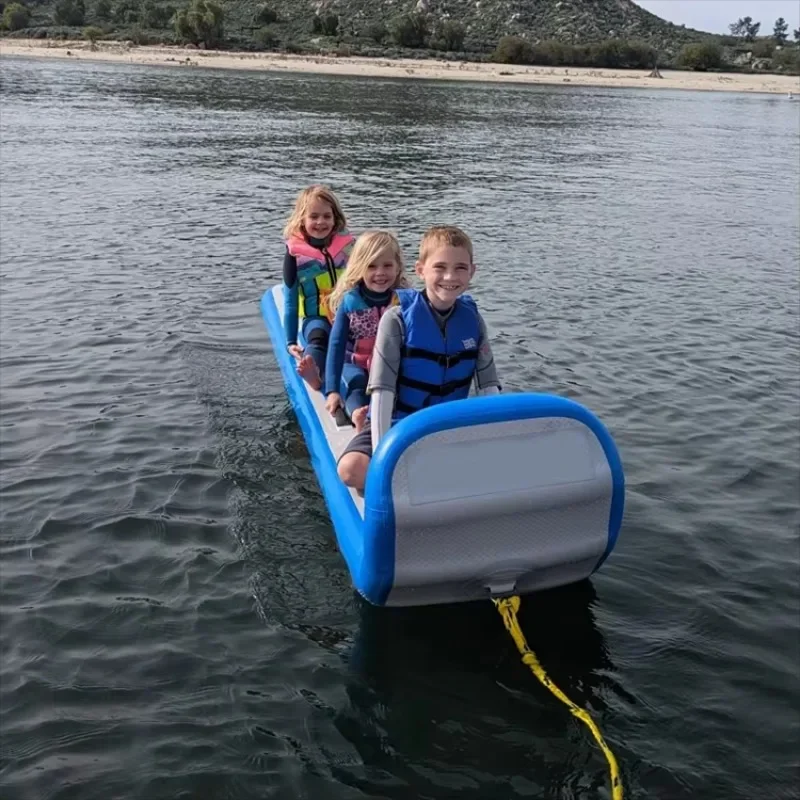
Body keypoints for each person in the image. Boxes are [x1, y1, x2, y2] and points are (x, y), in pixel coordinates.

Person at [336, 225, 501, 492]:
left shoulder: (473, 321)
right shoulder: (396, 320)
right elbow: (382, 392)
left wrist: (491, 443)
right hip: (397, 424)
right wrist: (383, 457)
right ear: (420, 269)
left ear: (472, 271)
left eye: (460, 268)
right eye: (440, 267)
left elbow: (489, 388)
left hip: (447, 425)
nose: (449, 276)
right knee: (350, 470)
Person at [324, 230, 410, 431]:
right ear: (359, 267)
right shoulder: (350, 302)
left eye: (387, 265)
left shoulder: (405, 300)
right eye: (371, 266)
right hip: (355, 363)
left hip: (390, 366)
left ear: (398, 267)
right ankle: (358, 415)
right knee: (357, 384)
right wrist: (332, 391)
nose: (380, 273)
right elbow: (336, 346)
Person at [282, 184, 354, 390]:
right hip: (317, 318)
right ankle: (314, 372)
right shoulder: (294, 255)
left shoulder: (348, 246)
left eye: (326, 216)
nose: (321, 222)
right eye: (314, 217)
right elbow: (290, 300)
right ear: (302, 220)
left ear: (335, 218)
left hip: (348, 313)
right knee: (318, 337)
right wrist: (290, 341)